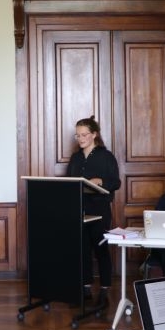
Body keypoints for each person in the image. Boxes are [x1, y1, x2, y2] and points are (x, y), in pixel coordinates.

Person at [66, 116, 121, 305]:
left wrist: (101, 181)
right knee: (82, 250)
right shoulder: (76, 158)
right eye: (78, 135)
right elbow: (70, 181)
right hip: (79, 209)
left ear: (94, 135)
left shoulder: (106, 156)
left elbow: (116, 182)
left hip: (99, 209)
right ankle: (86, 288)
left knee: (101, 249)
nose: (80, 139)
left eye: (84, 135)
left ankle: (105, 289)